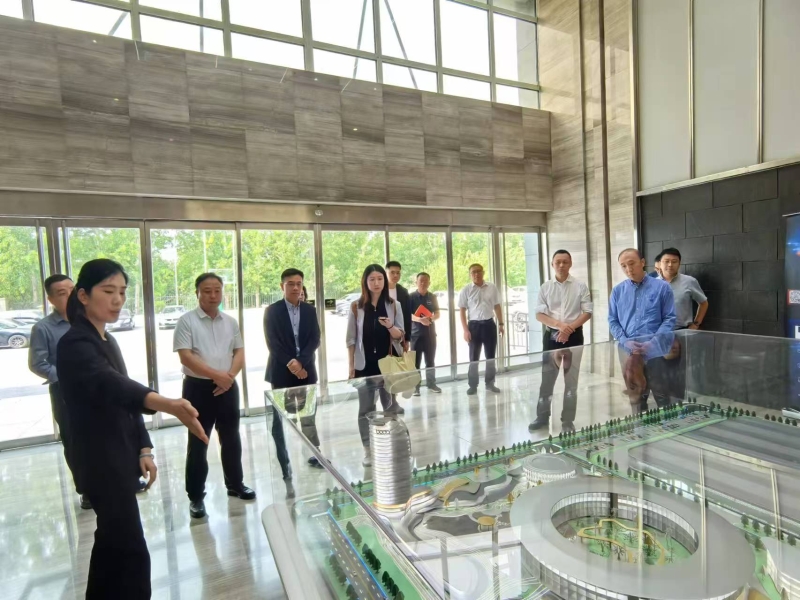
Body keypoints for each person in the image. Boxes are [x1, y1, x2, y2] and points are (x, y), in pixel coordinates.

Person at [57, 259, 207, 600]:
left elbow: (124, 395)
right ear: (83, 295)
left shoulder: (106, 340)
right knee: (131, 550)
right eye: (108, 291)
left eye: (123, 292)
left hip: (120, 455)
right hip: (100, 461)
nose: (117, 300)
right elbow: (108, 384)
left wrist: (143, 447)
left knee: (112, 545)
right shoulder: (74, 343)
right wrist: (167, 403)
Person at [174, 273, 255, 520]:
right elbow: (186, 357)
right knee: (199, 442)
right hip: (197, 389)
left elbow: (239, 352)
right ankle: (196, 497)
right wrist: (217, 376)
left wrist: (228, 377)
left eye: (217, 290)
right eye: (207, 290)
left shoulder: (230, 322)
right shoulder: (186, 321)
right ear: (197, 293)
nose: (213, 295)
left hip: (228, 387)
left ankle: (235, 484)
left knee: (231, 438)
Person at [28, 274, 89, 508]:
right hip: (65, 393)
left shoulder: (88, 319)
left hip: (95, 388)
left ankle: (117, 480)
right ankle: (86, 489)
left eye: (73, 290)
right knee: (74, 441)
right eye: (62, 293)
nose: (70, 296)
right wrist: (65, 377)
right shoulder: (43, 328)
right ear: (51, 299)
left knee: (103, 436)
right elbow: (37, 363)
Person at [264, 268, 322, 480]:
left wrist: (301, 362)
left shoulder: (309, 310)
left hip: (306, 371)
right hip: (281, 372)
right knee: (279, 421)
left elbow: (315, 338)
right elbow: (273, 343)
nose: (295, 287)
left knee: (308, 416)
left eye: (299, 283)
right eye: (291, 284)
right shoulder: (272, 311)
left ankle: (315, 455)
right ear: (282, 286)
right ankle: (284, 463)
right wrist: (292, 363)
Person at [346, 264, 405, 467]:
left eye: (380, 278)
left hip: (388, 364)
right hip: (364, 366)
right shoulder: (356, 306)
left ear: (384, 281)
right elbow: (351, 339)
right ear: (365, 281)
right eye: (372, 279)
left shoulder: (394, 305)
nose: (376, 283)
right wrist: (351, 367)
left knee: (390, 407)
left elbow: (400, 335)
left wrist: (390, 326)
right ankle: (368, 449)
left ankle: (389, 445)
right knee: (365, 409)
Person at [528, 250, 592, 434]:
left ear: (570, 264)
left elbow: (587, 312)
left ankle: (568, 420)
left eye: (565, 262)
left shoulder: (580, 286)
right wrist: (560, 326)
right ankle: (542, 417)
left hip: (574, 336)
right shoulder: (545, 287)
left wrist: (568, 329)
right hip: (551, 337)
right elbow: (539, 314)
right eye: (558, 262)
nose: (561, 265)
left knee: (571, 381)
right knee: (547, 380)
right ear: (552, 264)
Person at [608, 249, 676, 413]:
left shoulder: (662, 287)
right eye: (623, 266)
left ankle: (668, 427)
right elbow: (612, 320)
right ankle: (640, 427)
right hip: (628, 352)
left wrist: (653, 342)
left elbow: (669, 318)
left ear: (643, 262)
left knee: (662, 394)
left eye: (631, 263)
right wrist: (625, 341)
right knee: (636, 397)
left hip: (656, 351)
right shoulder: (617, 291)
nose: (628, 269)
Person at [652, 247, 709, 404]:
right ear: (659, 264)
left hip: (680, 333)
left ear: (679, 263)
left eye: (674, 261)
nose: (670, 265)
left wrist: (696, 324)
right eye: (666, 261)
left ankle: (677, 407)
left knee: (678, 373)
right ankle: (662, 406)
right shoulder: (651, 284)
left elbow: (703, 303)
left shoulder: (689, 281)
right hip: (657, 334)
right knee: (658, 372)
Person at [458, 263, 504, 395]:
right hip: (474, 327)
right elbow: (462, 311)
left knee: (490, 356)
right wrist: (465, 330)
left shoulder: (492, 287)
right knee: (474, 358)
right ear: (470, 275)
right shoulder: (466, 290)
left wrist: (501, 324)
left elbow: (497, 306)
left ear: (483, 272)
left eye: (478, 271)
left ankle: (490, 383)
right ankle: (473, 385)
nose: (476, 274)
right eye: (473, 272)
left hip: (489, 325)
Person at [408, 272, 442, 395]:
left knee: (430, 361)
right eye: (421, 281)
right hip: (415, 335)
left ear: (429, 282)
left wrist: (430, 319)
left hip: (430, 334)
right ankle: (416, 387)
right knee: (415, 362)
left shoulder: (432, 297)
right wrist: (420, 320)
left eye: (426, 281)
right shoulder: (411, 297)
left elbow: (437, 313)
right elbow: (408, 315)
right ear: (416, 282)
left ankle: (431, 384)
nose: (423, 283)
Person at [385, 261, 411, 413]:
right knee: (382, 373)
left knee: (394, 372)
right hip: (381, 337)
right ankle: (384, 403)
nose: (395, 275)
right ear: (386, 272)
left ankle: (393, 402)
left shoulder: (403, 292)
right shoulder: (380, 289)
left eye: (398, 272)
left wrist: (407, 339)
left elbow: (406, 317)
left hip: (397, 338)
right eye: (392, 272)